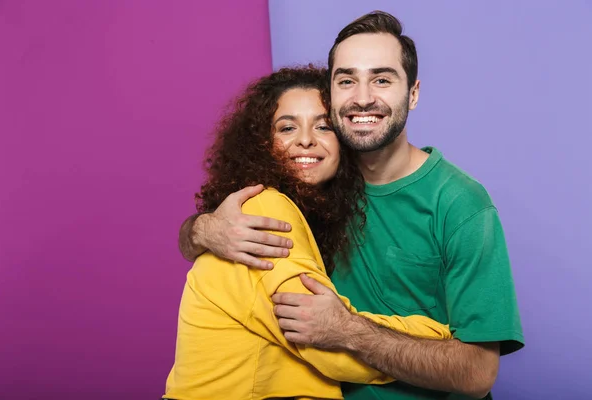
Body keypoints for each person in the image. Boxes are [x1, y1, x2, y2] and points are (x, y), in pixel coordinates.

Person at [178, 11, 525, 400]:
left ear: (412, 93)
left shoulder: (461, 204)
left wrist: (346, 330)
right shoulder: (318, 183)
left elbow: (478, 374)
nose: (362, 97)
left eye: (381, 79)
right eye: (347, 80)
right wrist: (203, 229)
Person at [163, 65, 453, 400]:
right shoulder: (265, 210)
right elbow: (323, 343)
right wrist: (443, 338)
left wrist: (197, 229)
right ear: (261, 143)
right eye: (287, 127)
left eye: (324, 126)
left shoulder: (315, 217)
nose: (305, 139)